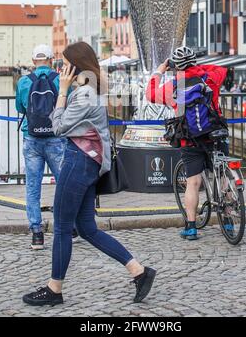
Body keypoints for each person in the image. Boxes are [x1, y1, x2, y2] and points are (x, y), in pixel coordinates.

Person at [22, 42, 156, 307]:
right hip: (88, 162)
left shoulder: (83, 95)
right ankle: (138, 271)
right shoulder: (91, 91)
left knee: (61, 226)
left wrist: (61, 92)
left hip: (78, 161)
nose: (61, 69)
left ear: (75, 67)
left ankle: (54, 288)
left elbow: (57, 127)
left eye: (64, 64)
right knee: (87, 228)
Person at [146, 46, 229, 241]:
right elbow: (222, 70)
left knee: (193, 182)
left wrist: (160, 71)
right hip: (215, 134)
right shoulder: (210, 78)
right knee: (223, 176)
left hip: (189, 138)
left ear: (175, 66)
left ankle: (191, 227)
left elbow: (149, 94)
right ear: (194, 61)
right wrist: (197, 67)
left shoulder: (172, 86)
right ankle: (228, 219)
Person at [16, 45, 68, 250]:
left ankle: (37, 234)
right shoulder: (59, 79)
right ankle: (68, 226)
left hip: (31, 138)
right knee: (64, 184)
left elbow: (20, 107)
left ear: (33, 60)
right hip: (56, 137)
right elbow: (67, 104)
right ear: (51, 58)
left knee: (32, 187)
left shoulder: (23, 81)